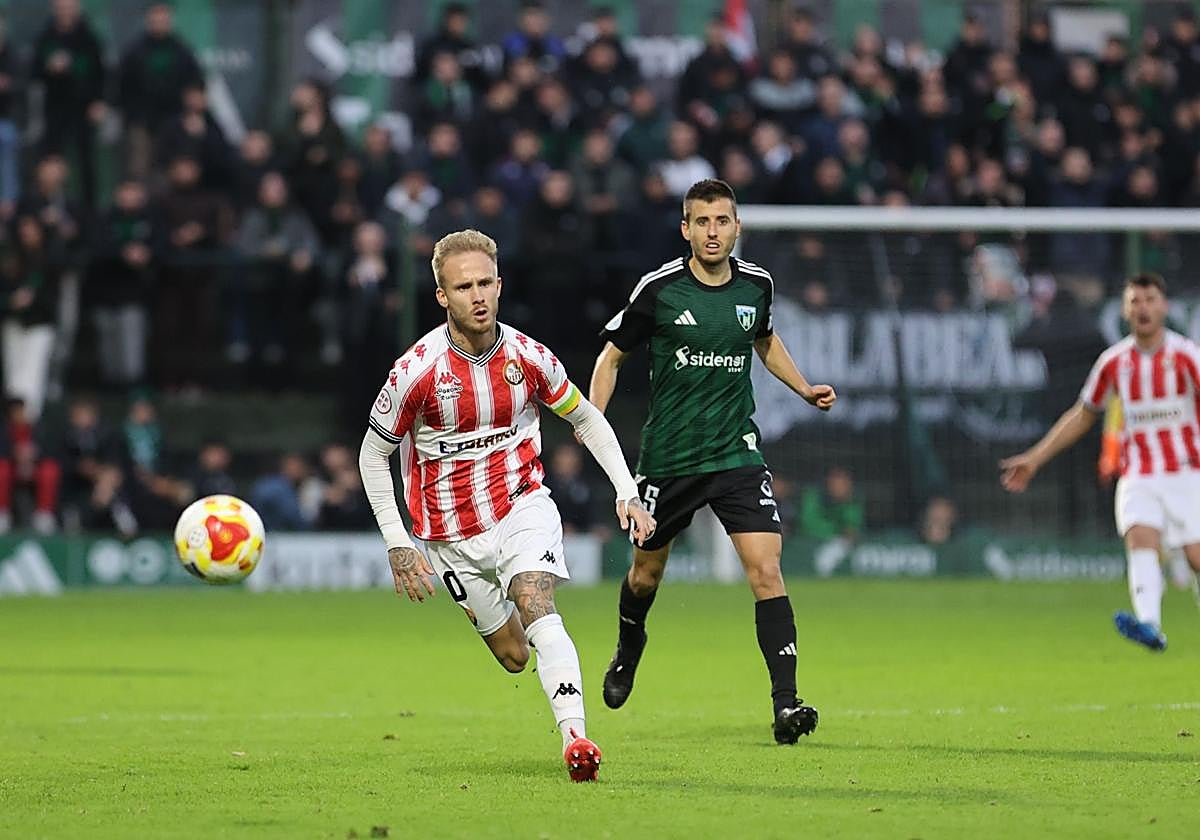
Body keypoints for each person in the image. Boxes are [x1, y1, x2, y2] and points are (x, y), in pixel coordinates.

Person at [358, 229, 655, 782]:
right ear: (442, 296)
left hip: (520, 504)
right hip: (447, 535)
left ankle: (576, 738)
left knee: (536, 599)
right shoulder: (416, 372)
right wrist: (398, 542)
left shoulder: (527, 358)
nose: (477, 296)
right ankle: (549, 684)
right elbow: (374, 455)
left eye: (485, 283)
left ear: (500, 284)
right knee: (515, 655)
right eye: (463, 286)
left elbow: (585, 417)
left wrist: (626, 489)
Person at [589, 178, 837, 744]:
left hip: (736, 453)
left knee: (766, 569)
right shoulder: (660, 289)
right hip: (670, 458)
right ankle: (629, 648)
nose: (712, 232)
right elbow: (610, 358)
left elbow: (764, 339)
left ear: (737, 227)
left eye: (721, 221)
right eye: (701, 222)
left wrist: (802, 389)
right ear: (686, 229)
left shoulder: (757, 286)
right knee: (646, 573)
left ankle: (786, 705)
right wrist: (593, 420)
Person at [1001, 273, 1200, 651]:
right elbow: (1082, 413)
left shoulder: (1187, 355)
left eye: (1150, 300)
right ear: (1125, 310)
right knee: (1140, 535)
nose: (1143, 308)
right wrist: (1035, 458)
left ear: (1164, 307)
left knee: (1196, 557)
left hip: (1188, 470)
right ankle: (1150, 626)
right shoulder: (1114, 362)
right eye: (1135, 301)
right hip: (1139, 472)